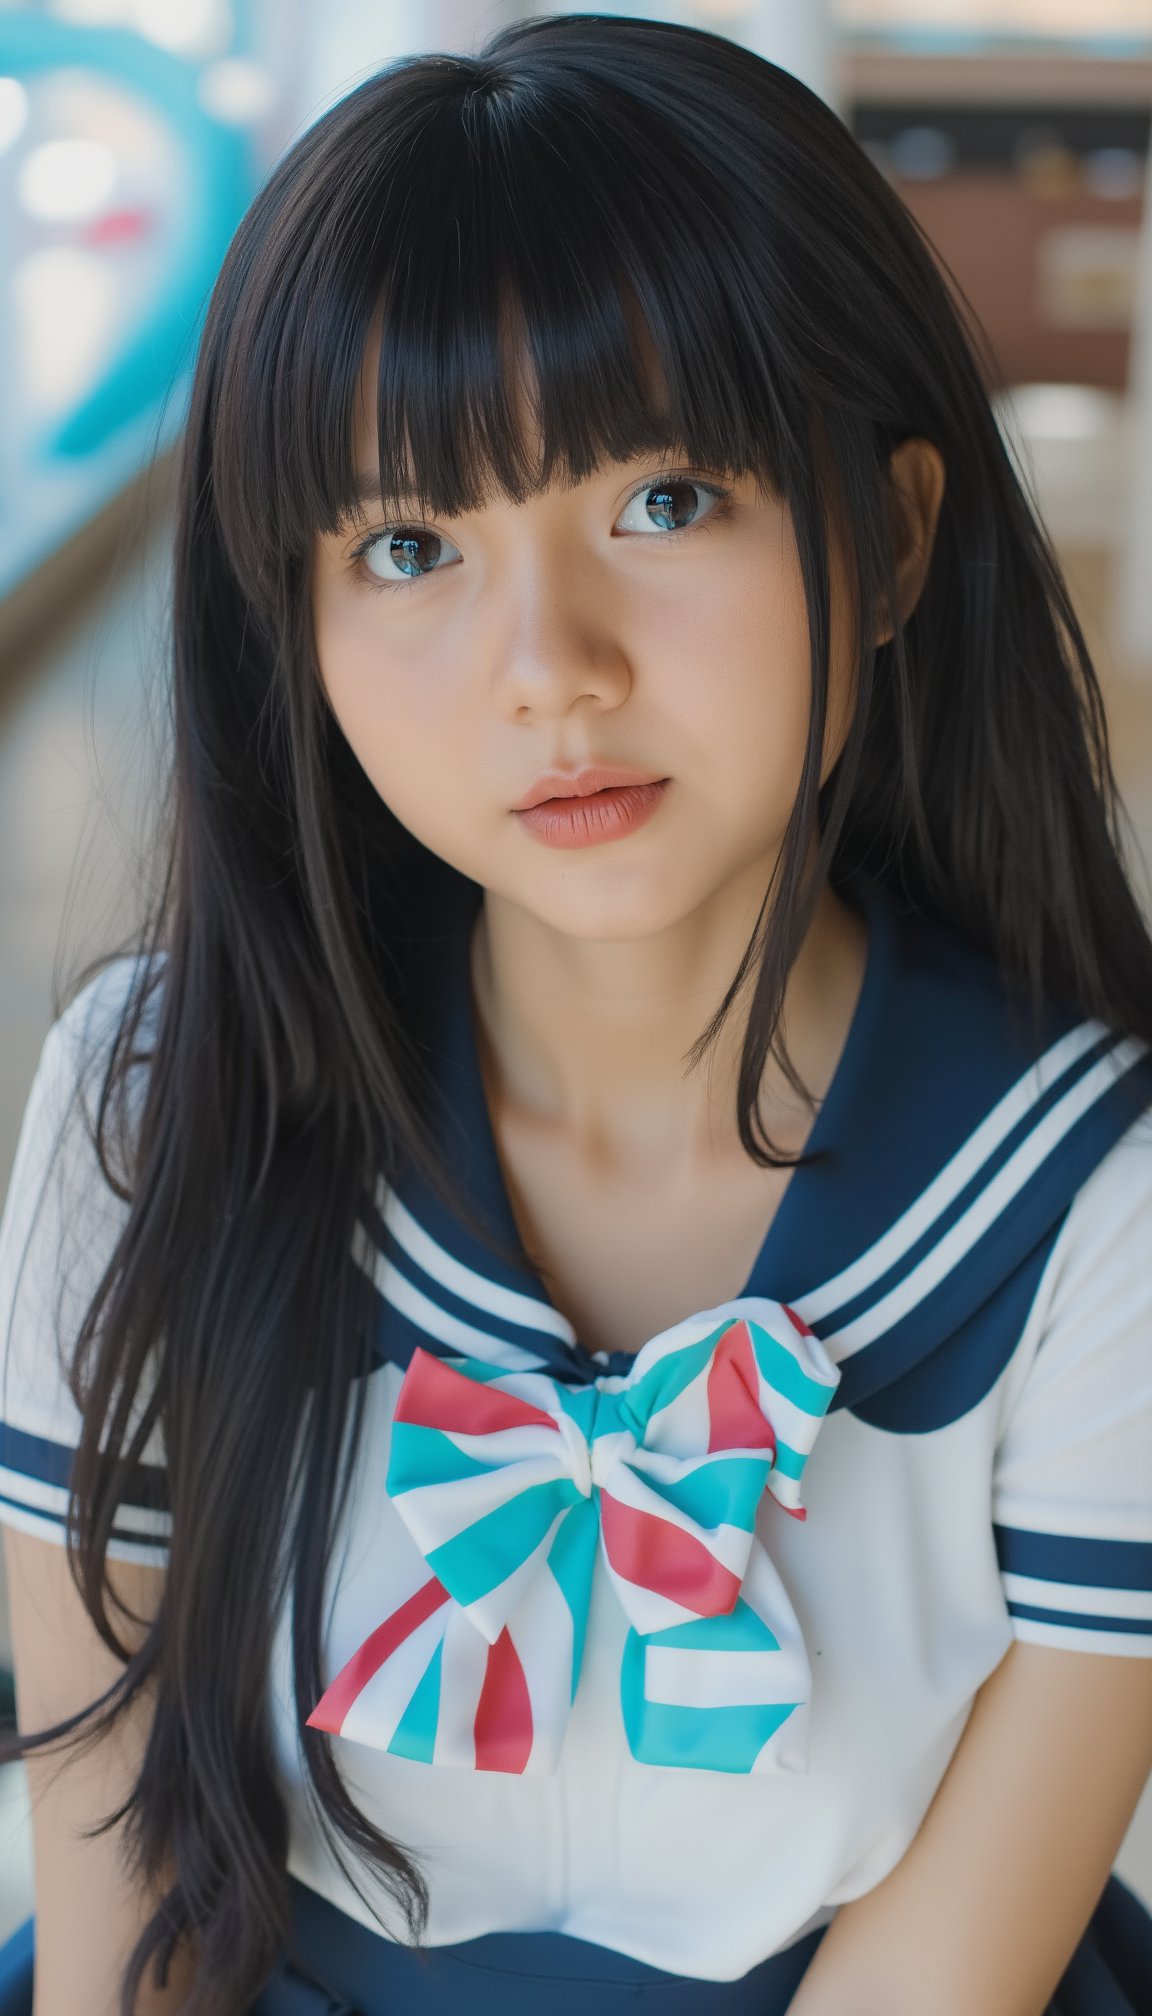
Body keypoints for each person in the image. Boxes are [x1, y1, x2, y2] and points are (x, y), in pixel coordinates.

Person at [0, 13, 1150, 2014]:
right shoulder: (153, 1098)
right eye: (414, 545)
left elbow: (943, 1979)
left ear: (885, 537)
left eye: (665, 501)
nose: (551, 669)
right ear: (299, 626)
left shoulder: (1096, 1207)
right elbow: (124, 1893)